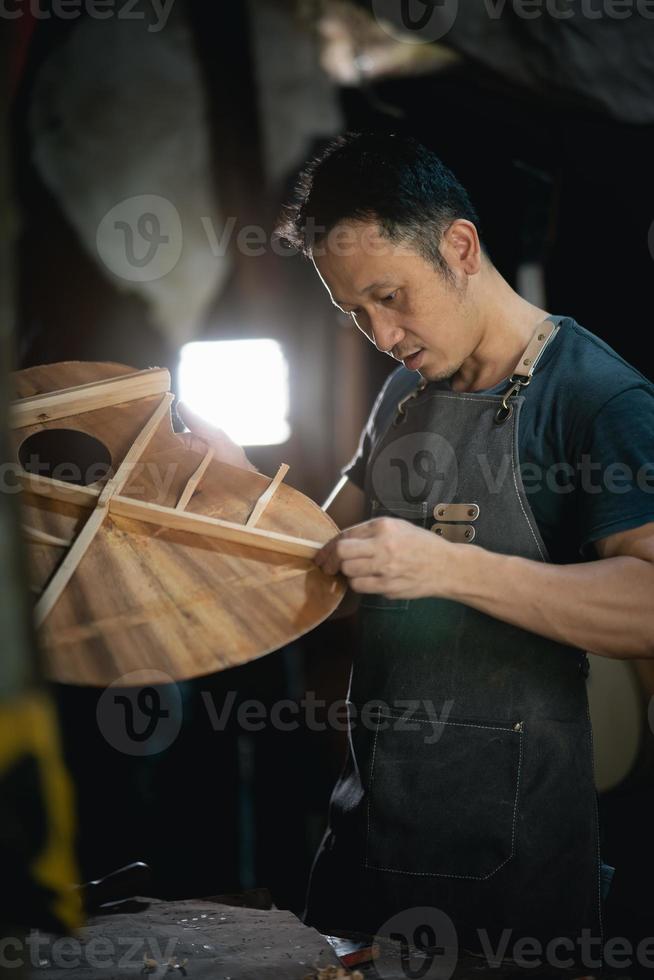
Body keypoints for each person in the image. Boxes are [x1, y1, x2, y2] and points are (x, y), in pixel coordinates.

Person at [179, 132, 654, 958]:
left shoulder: (598, 398)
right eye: (355, 312)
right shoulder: (405, 393)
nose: (382, 332)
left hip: (513, 884)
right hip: (365, 837)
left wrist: (450, 568)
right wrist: (238, 487)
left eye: (391, 296)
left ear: (460, 247)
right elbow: (328, 555)